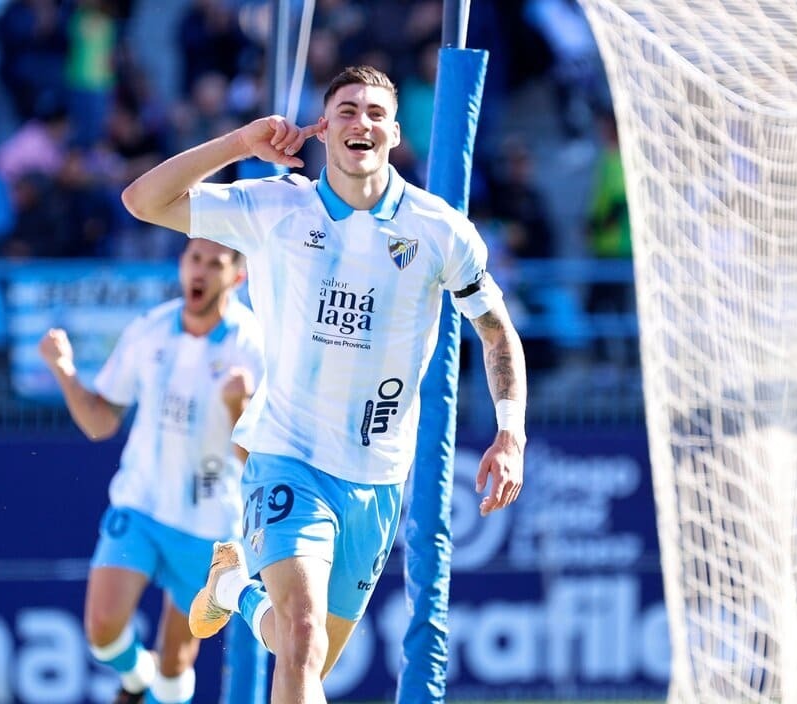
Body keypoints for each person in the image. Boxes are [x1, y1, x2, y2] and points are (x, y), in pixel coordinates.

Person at [121, 64, 528, 703]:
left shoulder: (438, 229)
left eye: (373, 113)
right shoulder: (277, 205)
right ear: (322, 129)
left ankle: (231, 588)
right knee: (303, 636)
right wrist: (238, 145)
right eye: (345, 111)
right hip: (288, 457)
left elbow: (498, 332)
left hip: (375, 477)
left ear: (395, 132)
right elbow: (143, 200)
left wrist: (511, 434)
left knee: (305, 656)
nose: (359, 123)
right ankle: (241, 590)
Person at [38, 237, 265, 704]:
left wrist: (238, 409)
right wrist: (64, 372)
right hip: (140, 504)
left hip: (210, 525)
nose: (200, 272)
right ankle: (135, 675)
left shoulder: (252, 346)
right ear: (182, 265)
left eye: (215, 263)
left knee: (175, 663)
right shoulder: (151, 330)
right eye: (194, 259)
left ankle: (153, 683)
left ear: (236, 277)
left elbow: (259, 465)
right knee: (102, 630)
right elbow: (102, 420)